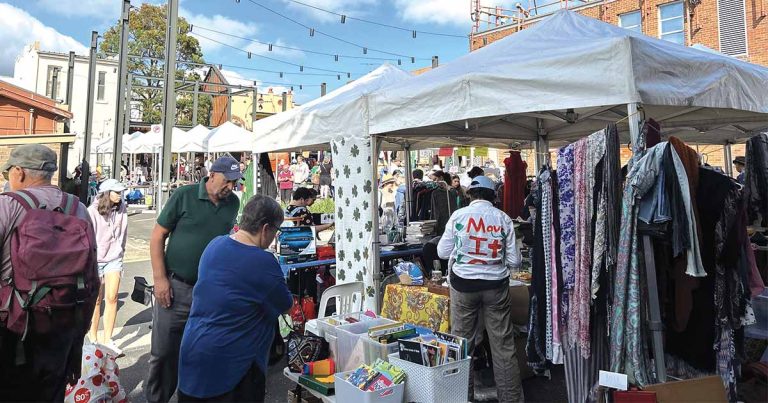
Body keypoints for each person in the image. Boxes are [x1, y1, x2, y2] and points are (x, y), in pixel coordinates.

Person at [0, 145, 99, 401]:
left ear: (19, 172)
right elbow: (92, 280)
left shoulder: (6, 206)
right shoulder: (78, 209)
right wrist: (78, 340)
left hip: (12, 331)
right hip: (62, 327)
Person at [178, 195, 292, 402]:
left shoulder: (215, 244)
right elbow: (286, 304)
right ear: (266, 228)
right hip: (233, 367)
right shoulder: (263, 262)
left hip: (193, 352)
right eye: (276, 231)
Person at [146, 156, 242, 403]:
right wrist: (160, 278)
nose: (230, 187)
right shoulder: (184, 195)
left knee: (201, 351)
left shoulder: (233, 203)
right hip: (176, 287)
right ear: (213, 174)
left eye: (234, 182)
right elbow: (157, 236)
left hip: (209, 292)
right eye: (227, 181)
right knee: (164, 352)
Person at [437, 175, 523, 402]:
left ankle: (460, 398)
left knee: (462, 345)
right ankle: (511, 399)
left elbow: (442, 252)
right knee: (503, 347)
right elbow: (514, 261)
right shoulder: (503, 218)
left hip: (463, 286)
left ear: (470, 195)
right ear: (493, 196)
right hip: (496, 287)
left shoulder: (459, 216)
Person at [87, 179, 129, 352]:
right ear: (106, 193)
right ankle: (93, 337)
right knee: (96, 300)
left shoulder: (121, 208)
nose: (120, 195)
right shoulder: (92, 211)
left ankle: (107, 339)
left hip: (114, 258)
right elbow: (88, 237)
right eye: (116, 192)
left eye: (121, 192)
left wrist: (121, 250)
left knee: (112, 297)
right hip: (95, 259)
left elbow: (124, 232)